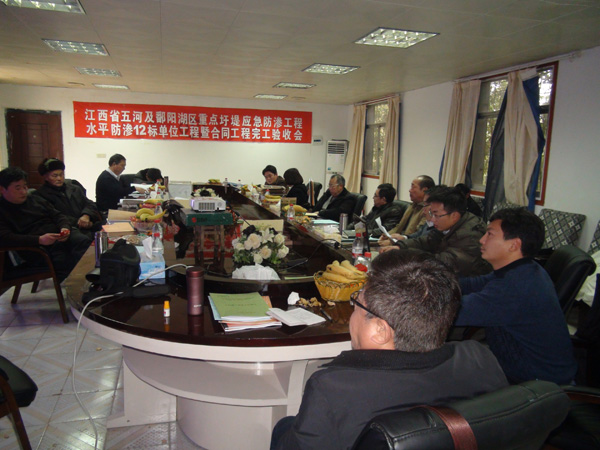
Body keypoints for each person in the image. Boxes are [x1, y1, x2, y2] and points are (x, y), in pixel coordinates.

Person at [271, 250, 508, 450]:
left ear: (380, 331)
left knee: (284, 426)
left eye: (356, 303)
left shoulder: (332, 388)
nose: (353, 311)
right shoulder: (480, 357)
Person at [454, 208, 578, 385]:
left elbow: (449, 312)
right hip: (514, 367)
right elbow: (471, 284)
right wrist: (428, 282)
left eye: (490, 234)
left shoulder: (515, 286)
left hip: (534, 385)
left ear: (514, 245)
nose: (482, 240)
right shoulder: (523, 269)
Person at [0, 167, 91, 282]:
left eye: (25, 186)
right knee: (63, 258)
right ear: (2, 189)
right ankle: (75, 285)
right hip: (37, 247)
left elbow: (58, 216)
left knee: (83, 241)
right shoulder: (2, 210)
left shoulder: (35, 200)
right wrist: (39, 240)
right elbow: (5, 238)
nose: (23, 191)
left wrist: (65, 227)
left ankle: (91, 280)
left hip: (58, 234)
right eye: (17, 188)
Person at [380, 186, 492, 277]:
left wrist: (406, 254)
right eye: (431, 214)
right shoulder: (448, 224)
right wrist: (400, 246)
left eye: (436, 215)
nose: (433, 220)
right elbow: (427, 241)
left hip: (466, 284)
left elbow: (445, 262)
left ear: (454, 215)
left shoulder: (470, 235)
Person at [32, 158, 103, 237]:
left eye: (61, 174)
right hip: (69, 229)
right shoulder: (40, 195)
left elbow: (90, 204)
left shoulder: (74, 188)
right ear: (46, 177)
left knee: (108, 228)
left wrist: (86, 215)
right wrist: (80, 222)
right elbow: (54, 217)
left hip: (88, 224)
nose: (59, 178)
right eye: (55, 176)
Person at [379, 175, 435, 245]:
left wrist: (395, 243)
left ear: (424, 190)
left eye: (413, 187)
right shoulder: (412, 205)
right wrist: (388, 235)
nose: (409, 190)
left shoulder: (428, 211)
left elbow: (418, 235)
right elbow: (399, 227)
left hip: (408, 245)